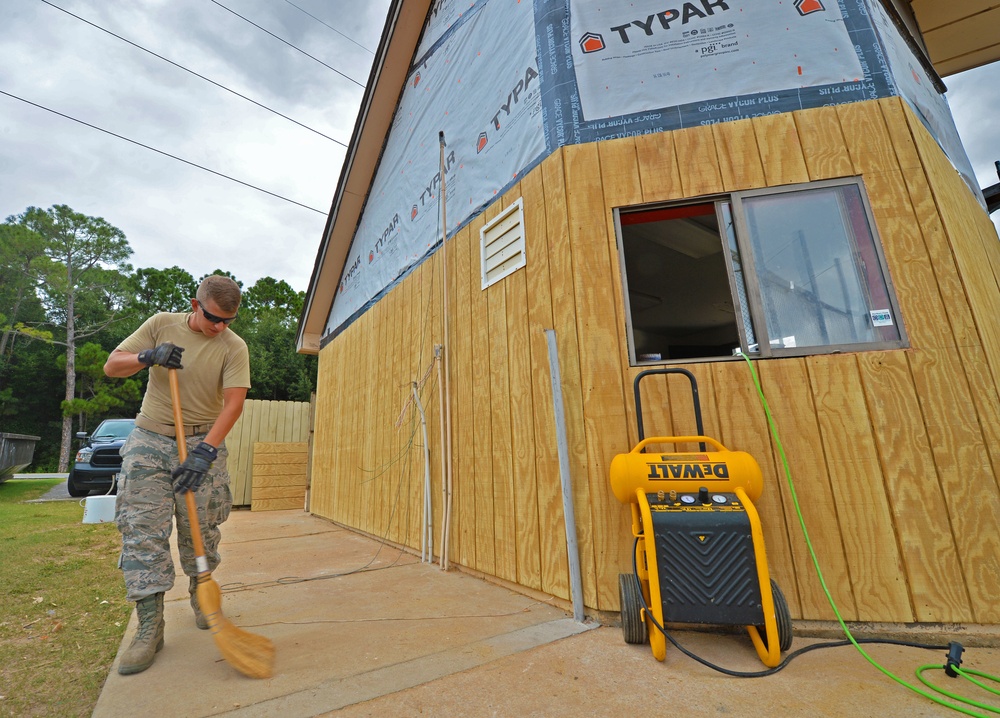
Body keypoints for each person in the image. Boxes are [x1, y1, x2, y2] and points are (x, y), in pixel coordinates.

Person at [104, 275, 250, 675]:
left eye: (229, 320)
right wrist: (148, 356)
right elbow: (112, 365)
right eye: (214, 318)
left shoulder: (233, 346)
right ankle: (150, 626)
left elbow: (233, 404)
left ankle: (203, 594)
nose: (220, 327)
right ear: (194, 304)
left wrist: (205, 452)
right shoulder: (160, 324)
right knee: (142, 529)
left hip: (202, 439)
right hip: (150, 438)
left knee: (201, 527)